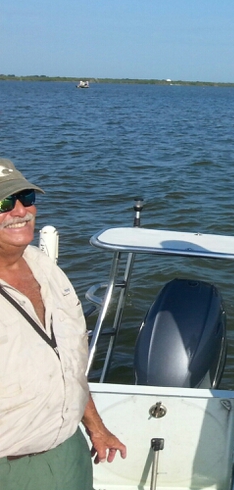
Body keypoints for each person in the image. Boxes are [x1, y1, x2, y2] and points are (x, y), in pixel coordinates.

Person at [0, 158, 127, 490]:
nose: (20, 211)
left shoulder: (46, 269)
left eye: (26, 197)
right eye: (3, 203)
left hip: (69, 454)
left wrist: (96, 427)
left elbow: (65, 362)